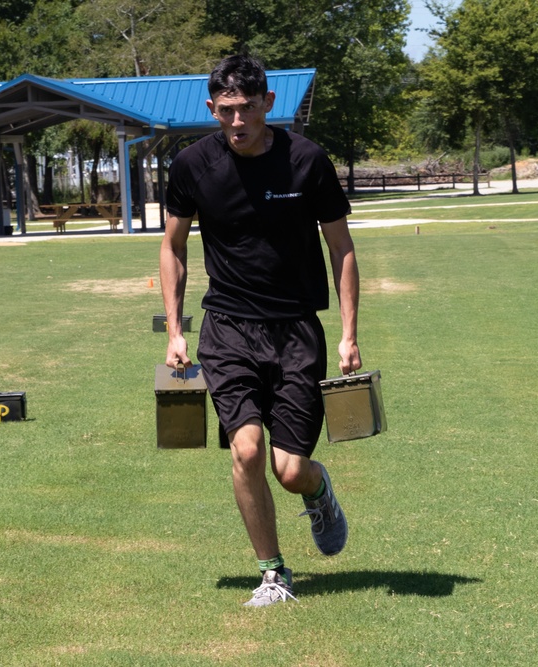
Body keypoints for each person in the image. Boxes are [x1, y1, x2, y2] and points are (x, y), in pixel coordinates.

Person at [160, 55, 362, 607]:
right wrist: (175, 331)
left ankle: (318, 492)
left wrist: (347, 333)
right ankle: (272, 574)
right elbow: (172, 248)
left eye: (248, 108)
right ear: (212, 110)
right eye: (226, 111)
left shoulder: (307, 161)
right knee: (246, 452)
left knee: (289, 467)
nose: (238, 120)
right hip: (226, 330)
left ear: (269, 104)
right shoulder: (193, 166)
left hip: (296, 330)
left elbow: (341, 247)